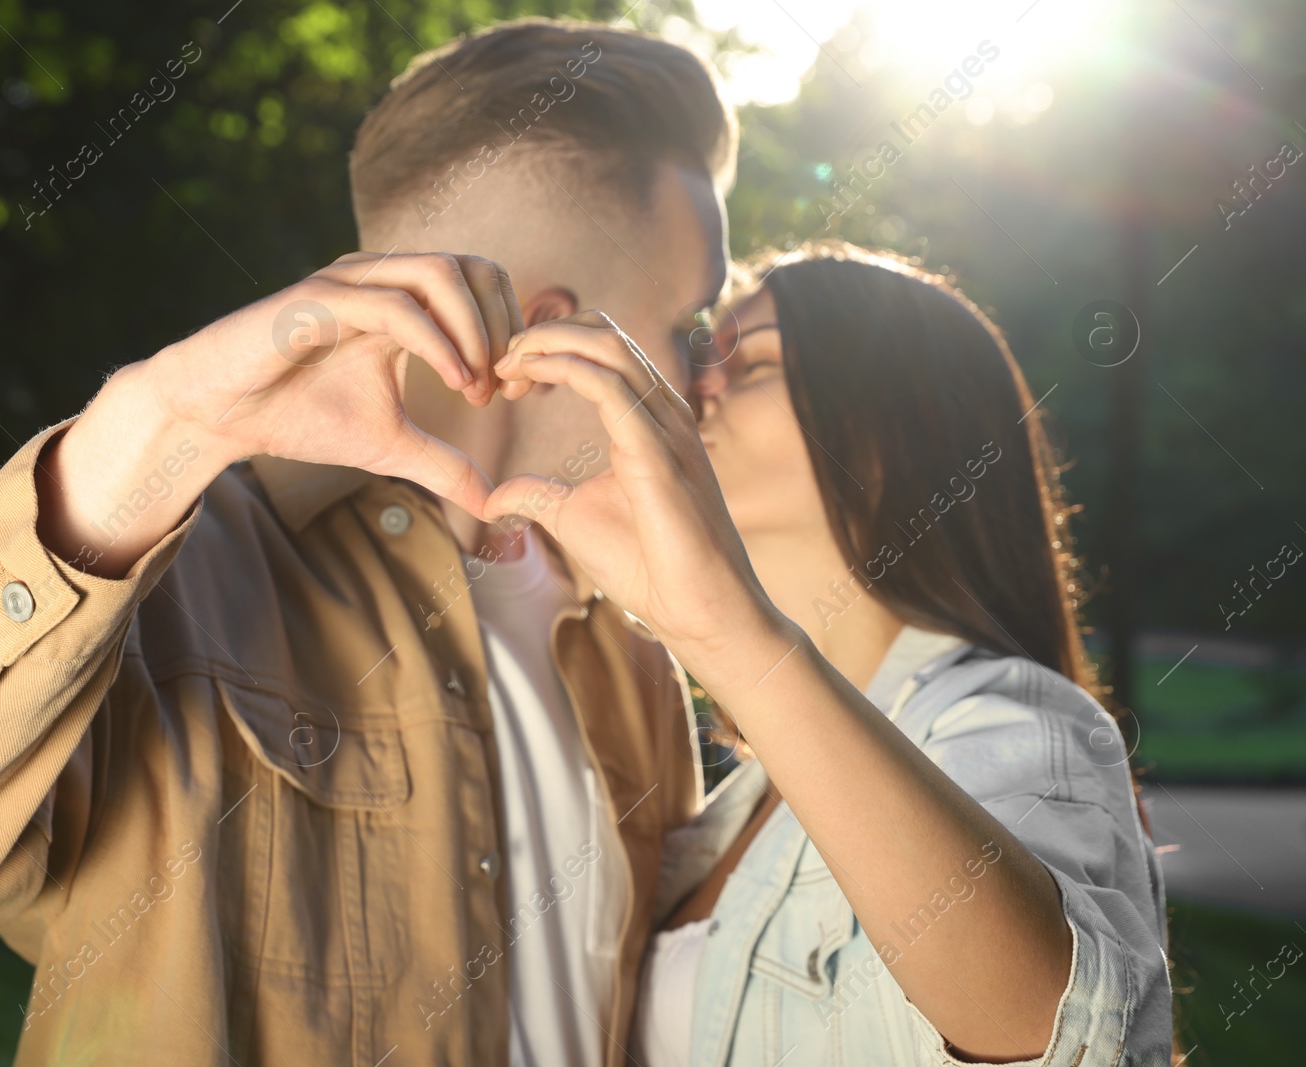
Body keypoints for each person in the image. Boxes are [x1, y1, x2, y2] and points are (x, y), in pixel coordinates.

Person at [0, 19, 737, 1067]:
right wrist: (156, 421)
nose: (709, 379)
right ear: (552, 334)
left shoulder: (633, 646)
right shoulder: (169, 578)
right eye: (690, 323)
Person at [477, 242, 1171, 1066]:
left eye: (756, 363)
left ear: (890, 432)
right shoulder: (735, 803)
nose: (695, 385)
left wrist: (725, 634)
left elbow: (1060, 1037)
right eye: (703, 355)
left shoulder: (1018, 718)